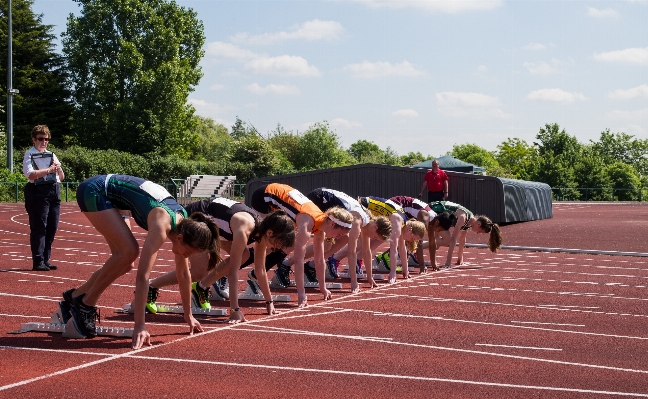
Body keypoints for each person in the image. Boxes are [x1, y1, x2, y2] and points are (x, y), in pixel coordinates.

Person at [60, 174, 220, 349]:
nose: (186, 256)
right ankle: (86, 304)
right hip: (95, 190)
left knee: (125, 263)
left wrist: (188, 315)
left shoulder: (184, 223)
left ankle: (75, 296)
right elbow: (143, 277)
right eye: (188, 252)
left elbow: (183, 274)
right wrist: (139, 326)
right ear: (180, 238)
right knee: (129, 252)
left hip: (117, 201)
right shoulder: (162, 225)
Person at [147, 198, 295, 323]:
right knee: (200, 270)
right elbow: (233, 272)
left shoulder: (262, 231)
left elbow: (260, 270)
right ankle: (151, 286)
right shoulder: (244, 229)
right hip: (195, 220)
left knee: (244, 255)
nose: (276, 249)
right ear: (270, 233)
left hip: (216, 227)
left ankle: (201, 287)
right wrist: (234, 310)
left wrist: (269, 302)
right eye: (278, 244)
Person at [250, 183, 353, 307]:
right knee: (269, 242)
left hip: (280, 196)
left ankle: (255, 272)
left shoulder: (321, 225)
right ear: (332, 224)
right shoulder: (307, 223)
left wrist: (323, 288)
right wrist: (301, 293)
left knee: (282, 243)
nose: (339, 237)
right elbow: (298, 260)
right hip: (264, 196)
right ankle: (248, 271)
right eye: (340, 234)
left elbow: (319, 260)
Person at [282, 187, 392, 293]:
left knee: (343, 238)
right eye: (375, 237)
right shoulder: (357, 222)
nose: (373, 239)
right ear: (375, 228)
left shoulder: (367, 221)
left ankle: (312, 266)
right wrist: (354, 282)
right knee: (324, 244)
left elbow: (367, 252)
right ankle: (286, 263)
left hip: (328, 202)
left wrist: (369, 277)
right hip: (320, 198)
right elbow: (352, 253)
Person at [22, 125, 65, 271]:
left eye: (46, 139)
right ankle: (38, 261)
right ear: (34, 139)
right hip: (37, 192)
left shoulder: (52, 154)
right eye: (41, 139)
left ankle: (46, 259)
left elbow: (62, 177)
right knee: (39, 227)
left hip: (54, 190)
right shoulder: (29, 154)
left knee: (52, 227)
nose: (44, 142)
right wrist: (48, 170)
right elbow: (30, 174)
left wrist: (58, 168)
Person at [359, 196, 426, 283]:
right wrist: (393, 272)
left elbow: (402, 249)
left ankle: (357, 259)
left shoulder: (404, 223)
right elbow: (394, 249)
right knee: (364, 237)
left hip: (370, 208)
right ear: (410, 230)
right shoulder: (398, 223)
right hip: (363, 205)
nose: (411, 241)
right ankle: (345, 259)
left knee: (379, 237)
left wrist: (405, 270)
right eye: (412, 238)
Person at [428, 201, 502, 268]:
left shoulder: (469, 222)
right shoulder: (463, 218)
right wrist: (448, 262)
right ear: (479, 224)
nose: (477, 233)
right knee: (447, 240)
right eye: (479, 231)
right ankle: (419, 247)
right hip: (434, 210)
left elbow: (462, 239)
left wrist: (460, 258)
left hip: (440, 217)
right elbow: (453, 240)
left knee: (436, 245)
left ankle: (419, 254)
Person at [389, 195, 435, 273]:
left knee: (408, 237)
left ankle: (407, 258)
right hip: (395, 205)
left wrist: (434, 263)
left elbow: (432, 242)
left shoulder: (431, 216)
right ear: (437, 223)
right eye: (440, 230)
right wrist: (422, 265)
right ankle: (385, 258)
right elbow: (419, 242)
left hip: (402, 208)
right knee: (403, 236)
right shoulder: (425, 218)